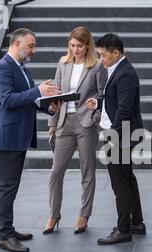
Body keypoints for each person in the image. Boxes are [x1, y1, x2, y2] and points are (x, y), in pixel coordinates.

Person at [0, 28, 62, 252]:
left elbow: (28, 98)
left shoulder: (21, 68)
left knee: (11, 185)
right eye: (30, 45)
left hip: (16, 137)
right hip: (5, 138)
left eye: (34, 45)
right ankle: (3, 234)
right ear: (16, 43)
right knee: (7, 187)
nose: (34, 50)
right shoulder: (1, 69)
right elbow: (8, 100)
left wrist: (50, 106)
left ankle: (5, 229)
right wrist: (38, 90)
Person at [43, 26, 107, 235]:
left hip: (85, 124)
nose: (76, 49)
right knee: (56, 171)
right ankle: (54, 214)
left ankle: (84, 215)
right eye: (72, 45)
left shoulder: (97, 67)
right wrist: (53, 123)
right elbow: (55, 95)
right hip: (64, 122)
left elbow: (102, 96)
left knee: (87, 172)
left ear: (87, 45)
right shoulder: (63, 63)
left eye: (79, 46)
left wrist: (95, 112)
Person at [87, 33, 146, 245]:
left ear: (116, 53)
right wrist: (100, 104)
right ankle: (136, 222)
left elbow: (124, 108)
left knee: (119, 183)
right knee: (127, 178)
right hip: (120, 133)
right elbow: (116, 101)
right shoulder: (118, 70)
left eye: (103, 55)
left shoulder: (126, 73)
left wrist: (112, 133)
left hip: (120, 135)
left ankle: (123, 229)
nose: (101, 60)